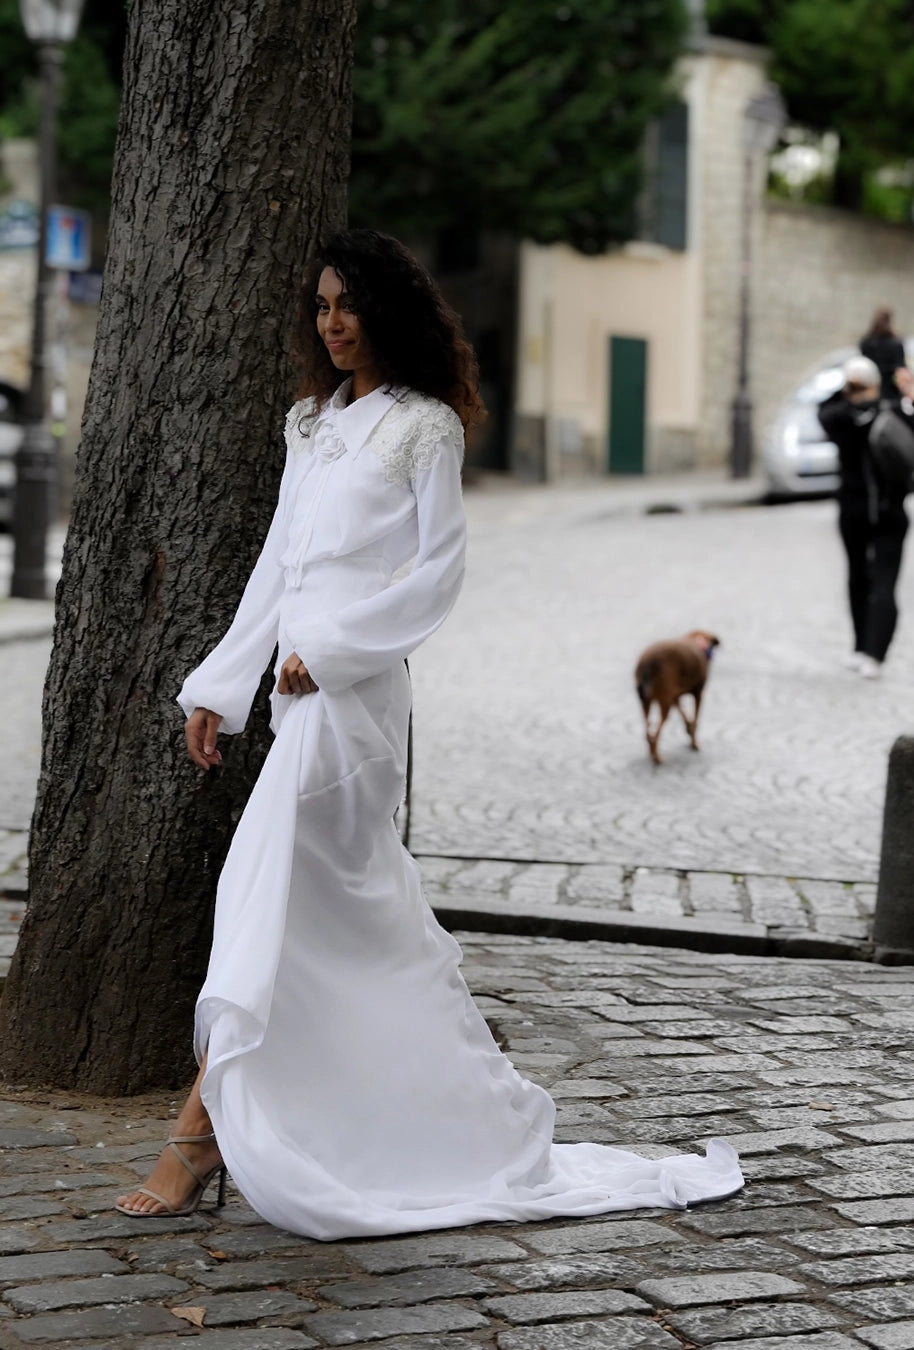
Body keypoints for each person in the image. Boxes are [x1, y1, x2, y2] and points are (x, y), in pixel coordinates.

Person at [116, 229, 743, 1237]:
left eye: (349, 304)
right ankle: (319, 1118)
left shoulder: (426, 430)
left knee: (264, 902)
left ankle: (196, 1140)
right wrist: (220, 690)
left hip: (352, 709)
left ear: (389, 311)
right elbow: (276, 568)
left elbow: (437, 574)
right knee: (325, 926)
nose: (332, 323)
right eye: (321, 306)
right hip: (292, 701)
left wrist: (340, 653)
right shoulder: (311, 424)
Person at [818, 354, 914, 680]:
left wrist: (849, 387)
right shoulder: (892, 410)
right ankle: (870, 654)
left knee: (865, 579)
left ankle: (866, 649)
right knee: (877, 580)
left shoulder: (839, 415)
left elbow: (823, 409)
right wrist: (909, 399)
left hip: (861, 511)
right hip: (887, 510)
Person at [859, 306, 906, 401]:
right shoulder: (895, 343)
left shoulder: (866, 342)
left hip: (872, 390)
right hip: (891, 391)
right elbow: (901, 368)